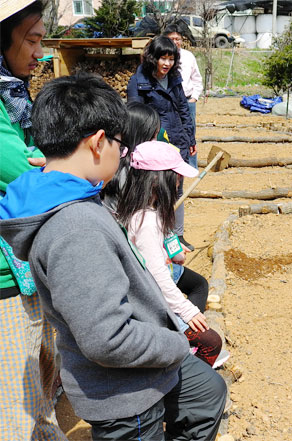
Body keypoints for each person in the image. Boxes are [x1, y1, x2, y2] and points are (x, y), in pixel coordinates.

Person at [0, 72, 226, 440]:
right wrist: (177, 341)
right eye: (121, 147)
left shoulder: (74, 197)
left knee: (207, 394)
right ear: (98, 142)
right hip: (126, 397)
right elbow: (108, 339)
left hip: (141, 369)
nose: (122, 157)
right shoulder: (75, 229)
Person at [0, 1, 67, 439]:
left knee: (42, 387)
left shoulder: (14, 97)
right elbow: (25, 171)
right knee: (15, 408)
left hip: (26, 264)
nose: (41, 53)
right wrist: (67, 166)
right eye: (33, 39)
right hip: (5, 275)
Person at [116, 140, 226, 368]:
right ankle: (187, 382)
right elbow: (157, 274)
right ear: (158, 179)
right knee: (211, 342)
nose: (179, 181)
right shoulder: (147, 221)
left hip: (144, 293)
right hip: (148, 301)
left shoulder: (134, 207)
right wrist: (188, 311)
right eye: (175, 175)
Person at [127, 35, 196, 251]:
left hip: (177, 140)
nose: (167, 64)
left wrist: (190, 137)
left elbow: (184, 109)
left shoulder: (175, 79)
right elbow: (135, 115)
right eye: (163, 58)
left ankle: (177, 235)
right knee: (152, 191)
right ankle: (153, 237)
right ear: (152, 58)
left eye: (171, 59)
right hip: (152, 146)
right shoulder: (138, 82)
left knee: (176, 190)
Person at [101, 101, 161, 214]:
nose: (156, 142)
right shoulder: (131, 174)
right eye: (152, 136)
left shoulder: (114, 164)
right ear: (137, 136)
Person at [164, 24, 203, 169]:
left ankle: (191, 167)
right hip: (169, 101)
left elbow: (197, 79)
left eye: (178, 39)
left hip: (187, 100)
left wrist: (194, 98)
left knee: (189, 132)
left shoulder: (188, 56)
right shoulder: (162, 57)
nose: (175, 41)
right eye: (172, 38)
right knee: (170, 132)